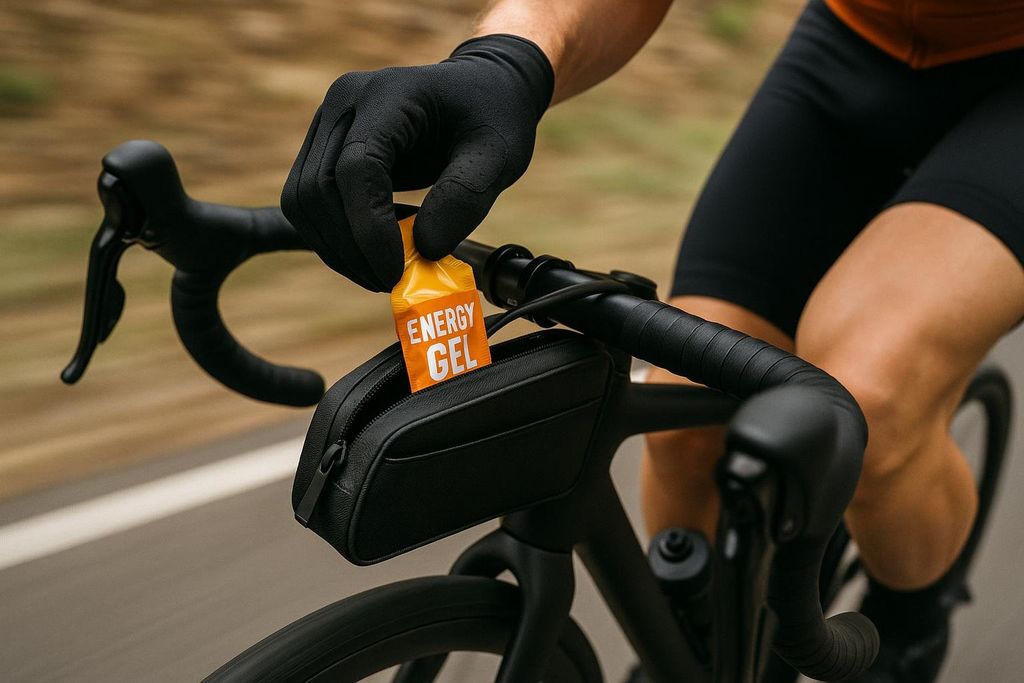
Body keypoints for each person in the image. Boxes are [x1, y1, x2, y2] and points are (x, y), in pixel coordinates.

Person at [280, 1, 1024, 680]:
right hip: (857, 40)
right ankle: (697, 654)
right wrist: (506, 58)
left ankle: (908, 633)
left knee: (870, 397)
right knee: (685, 414)